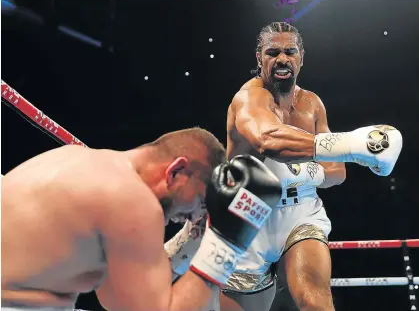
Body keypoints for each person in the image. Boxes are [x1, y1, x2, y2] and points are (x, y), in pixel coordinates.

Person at [218, 22, 403, 311]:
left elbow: (337, 172)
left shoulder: (312, 104)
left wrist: (305, 173)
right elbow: (268, 139)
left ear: (301, 57)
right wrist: (354, 145)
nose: (282, 59)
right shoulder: (249, 98)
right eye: (272, 52)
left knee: (315, 302)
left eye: (290, 51)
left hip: (301, 211)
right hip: (249, 214)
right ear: (259, 58)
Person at [1, 127, 284, 311]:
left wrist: (193, 240)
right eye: (198, 202)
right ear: (176, 171)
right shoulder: (132, 199)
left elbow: (122, 300)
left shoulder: (80, 160)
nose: (187, 217)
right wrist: (225, 244)